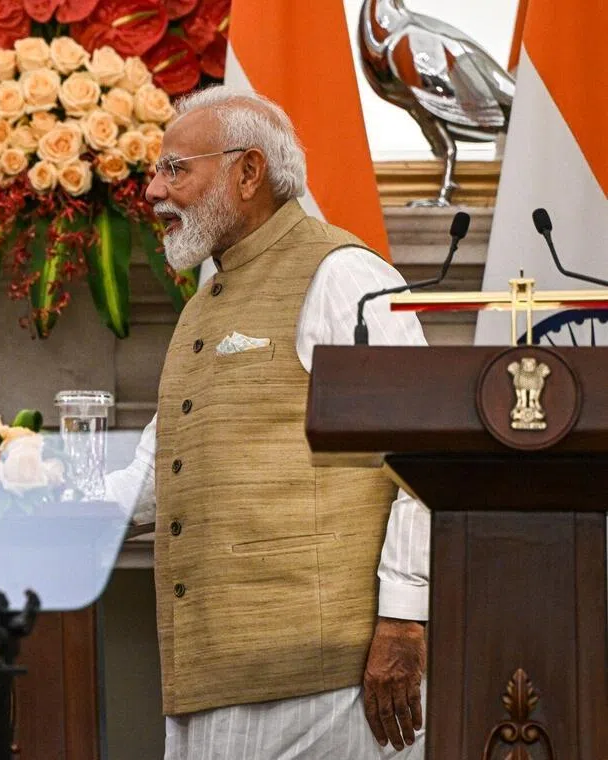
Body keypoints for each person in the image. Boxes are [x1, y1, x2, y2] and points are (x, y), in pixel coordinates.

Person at [105, 87, 431, 758]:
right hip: (214, 677)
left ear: (248, 172)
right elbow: (159, 471)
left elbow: (423, 451)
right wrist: (14, 494)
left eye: (174, 169)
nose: (153, 190)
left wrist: (405, 618)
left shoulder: (345, 274)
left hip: (326, 684)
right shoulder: (205, 300)